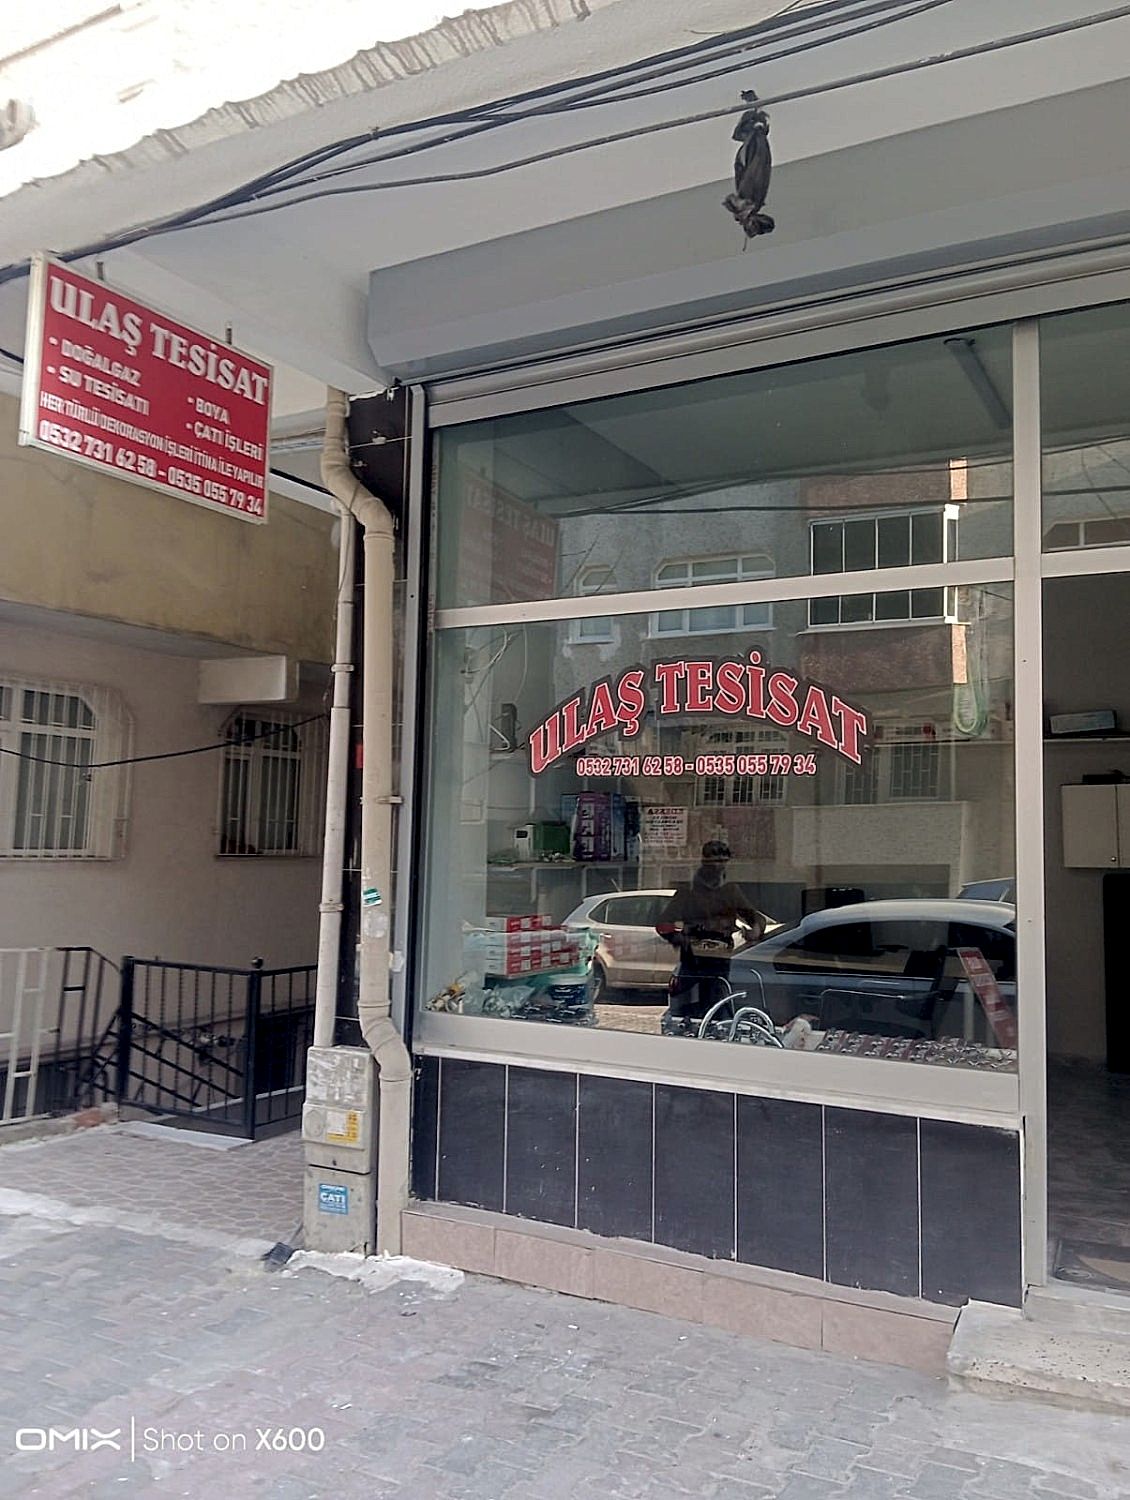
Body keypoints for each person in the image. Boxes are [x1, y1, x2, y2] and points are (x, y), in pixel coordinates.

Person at [656, 840, 766, 1033]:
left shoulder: (730, 891)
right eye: (713, 861)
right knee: (686, 1016)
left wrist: (755, 931)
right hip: (692, 963)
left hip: (720, 963)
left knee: (719, 1012)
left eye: (723, 861)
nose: (718, 866)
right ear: (703, 861)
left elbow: (755, 918)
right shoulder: (688, 892)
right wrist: (681, 939)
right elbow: (663, 924)